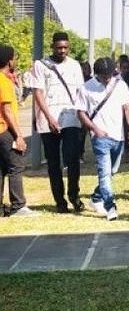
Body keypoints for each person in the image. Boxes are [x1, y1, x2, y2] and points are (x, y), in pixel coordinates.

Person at [27, 32, 86, 213]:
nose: (62, 51)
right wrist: (49, 118)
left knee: (73, 160)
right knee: (54, 164)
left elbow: (80, 93)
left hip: (71, 119)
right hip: (48, 121)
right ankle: (60, 201)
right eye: (59, 47)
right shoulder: (41, 65)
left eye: (65, 47)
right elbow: (38, 94)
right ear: (52, 46)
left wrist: (82, 116)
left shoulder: (75, 65)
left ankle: (74, 197)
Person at [75, 57, 129, 222]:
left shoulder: (120, 85)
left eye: (110, 74)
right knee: (104, 173)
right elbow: (81, 113)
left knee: (111, 171)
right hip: (100, 137)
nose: (107, 78)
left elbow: (127, 107)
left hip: (119, 136)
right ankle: (110, 206)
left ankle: (96, 197)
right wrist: (95, 129)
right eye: (104, 75)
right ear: (97, 74)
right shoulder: (86, 88)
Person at [0, 45, 34, 217]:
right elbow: (7, 111)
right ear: (9, 60)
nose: (16, 61)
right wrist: (19, 135)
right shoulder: (4, 81)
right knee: (16, 165)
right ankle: (18, 206)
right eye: (14, 58)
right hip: (4, 130)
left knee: (1, 168)